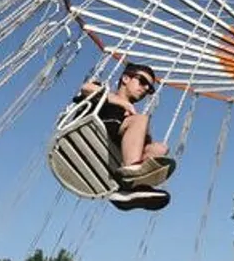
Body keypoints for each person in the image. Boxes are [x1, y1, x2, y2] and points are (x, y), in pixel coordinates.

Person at [71, 62, 175, 210]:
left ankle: (130, 190)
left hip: (113, 155)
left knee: (160, 149)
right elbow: (85, 88)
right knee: (141, 119)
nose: (145, 89)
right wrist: (123, 104)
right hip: (88, 137)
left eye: (150, 89)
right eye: (143, 82)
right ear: (126, 78)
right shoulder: (104, 92)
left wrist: (144, 134)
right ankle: (131, 177)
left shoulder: (132, 117)